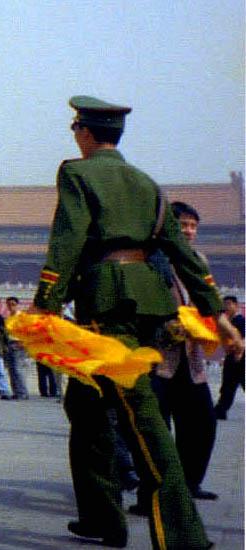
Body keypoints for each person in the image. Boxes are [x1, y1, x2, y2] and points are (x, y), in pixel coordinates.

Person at [31, 96, 242, 549]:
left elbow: (66, 239)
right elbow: (183, 255)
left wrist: (45, 302)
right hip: (145, 301)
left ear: (84, 133)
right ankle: (100, 518)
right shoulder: (147, 184)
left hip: (107, 304)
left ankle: (184, 535)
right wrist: (218, 315)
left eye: (75, 131)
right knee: (85, 407)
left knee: (141, 415)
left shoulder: (77, 172)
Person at [132, 201, 220, 509]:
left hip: (190, 356)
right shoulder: (149, 260)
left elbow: (208, 301)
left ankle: (189, 483)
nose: (188, 231)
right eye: (183, 224)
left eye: (194, 226)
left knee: (202, 421)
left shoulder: (198, 260)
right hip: (158, 357)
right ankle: (150, 495)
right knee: (157, 427)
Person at [214, 296, 245, 420]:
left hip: (241, 358)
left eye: (229, 304)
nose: (226, 307)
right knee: (227, 386)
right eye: (224, 304)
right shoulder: (227, 322)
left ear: (236, 306)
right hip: (231, 358)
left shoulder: (241, 320)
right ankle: (220, 410)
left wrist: (240, 353)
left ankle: (220, 410)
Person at [3, 297, 29, 399]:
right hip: (10, 344)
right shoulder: (9, 317)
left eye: (13, 304)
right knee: (12, 370)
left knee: (19, 370)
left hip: (19, 344)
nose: (11, 306)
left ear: (17, 305)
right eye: (9, 304)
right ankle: (16, 392)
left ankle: (23, 392)